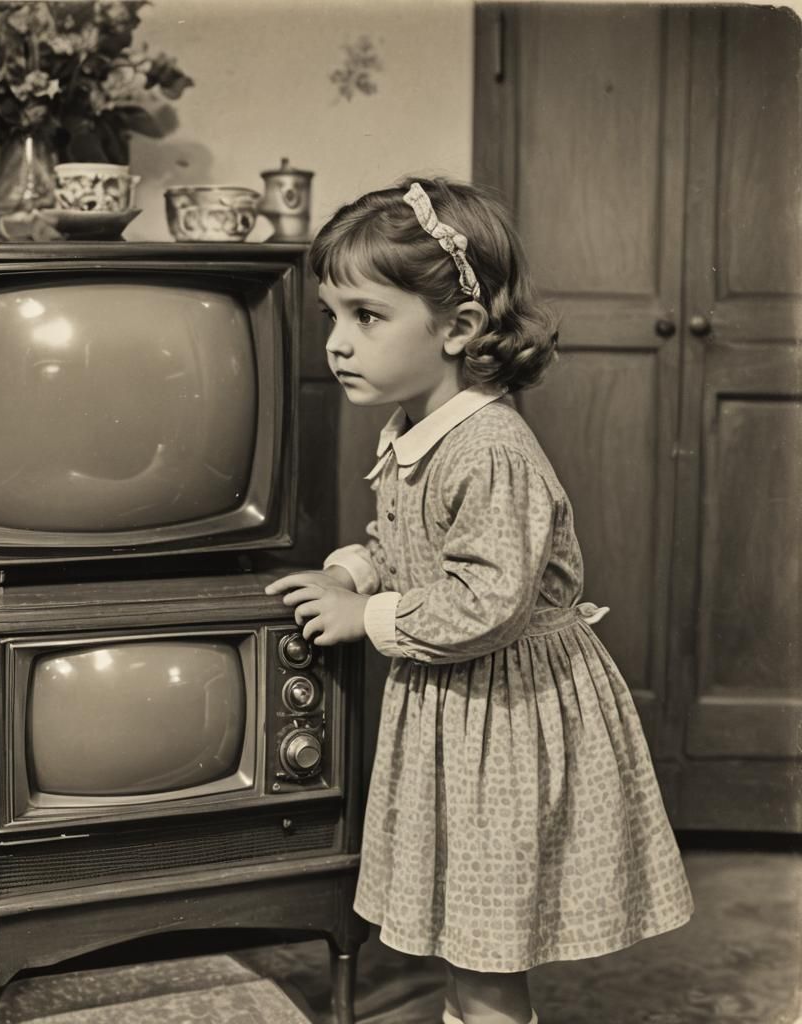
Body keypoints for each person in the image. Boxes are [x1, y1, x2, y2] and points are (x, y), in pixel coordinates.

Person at [265, 177, 693, 1024]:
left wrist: (368, 618)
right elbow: (407, 544)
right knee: (463, 928)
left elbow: (489, 599)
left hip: (511, 714)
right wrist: (356, 571)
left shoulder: (490, 446)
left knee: (489, 941)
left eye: (367, 316)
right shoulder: (415, 431)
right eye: (331, 318)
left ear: (457, 329)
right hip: (458, 708)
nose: (339, 344)